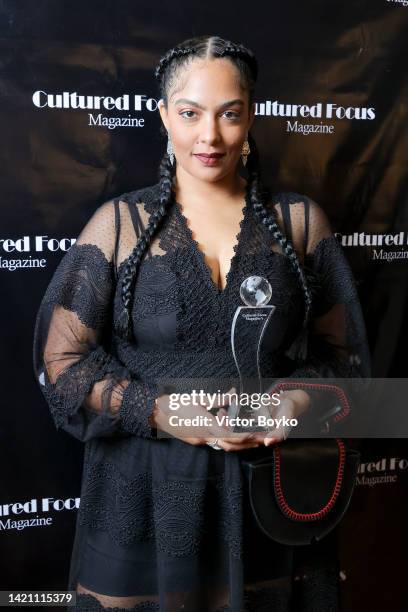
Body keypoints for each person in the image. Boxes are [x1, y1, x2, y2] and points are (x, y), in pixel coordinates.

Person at [32, 35, 370, 611]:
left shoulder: (299, 223)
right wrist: (160, 412)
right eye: (189, 114)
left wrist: (297, 403)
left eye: (228, 114)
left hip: (269, 493)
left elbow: (349, 363)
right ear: (164, 116)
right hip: (142, 491)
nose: (209, 136)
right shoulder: (119, 226)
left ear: (251, 116)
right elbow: (61, 362)